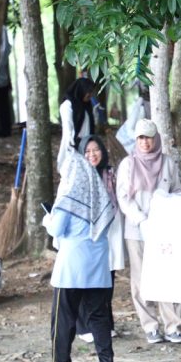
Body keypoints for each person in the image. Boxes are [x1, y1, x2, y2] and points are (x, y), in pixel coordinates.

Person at [43, 149, 116, 362]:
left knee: (63, 316)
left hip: (72, 266)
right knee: (99, 316)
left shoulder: (68, 198)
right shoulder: (99, 196)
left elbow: (56, 229)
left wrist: (47, 219)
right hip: (97, 263)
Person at [115, 118, 181, 344]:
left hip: (164, 230)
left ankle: (173, 325)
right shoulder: (128, 164)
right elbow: (124, 197)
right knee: (140, 279)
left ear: (156, 139)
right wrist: (140, 219)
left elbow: (177, 190)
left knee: (167, 276)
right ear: (136, 140)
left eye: (149, 137)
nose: (145, 142)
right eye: (141, 138)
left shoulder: (167, 163)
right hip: (137, 231)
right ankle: (150, 325)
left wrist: (168, 213)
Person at [75, 135, 124, 343]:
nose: (92, 155)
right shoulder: (78, 176)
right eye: (87, 151)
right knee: (87, 278)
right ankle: (84, 325)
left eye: (95, 150)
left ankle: (105, 322)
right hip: (86, 233)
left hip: (110, 230)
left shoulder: (110, 174)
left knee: (107, 278)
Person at [58, 77, 96, 170]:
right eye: (89, 92)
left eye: (91, 92)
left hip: (87, 144)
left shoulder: (87, 106)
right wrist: (72, 146)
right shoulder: (67, 105)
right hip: (74, 145)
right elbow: (68, 129)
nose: (90, 95)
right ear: (81, 90)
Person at [0, 27, 13, 138]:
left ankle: (4, 130)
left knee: (2, 106)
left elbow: (5, 49)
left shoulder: (2, 28)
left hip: (0, 79)